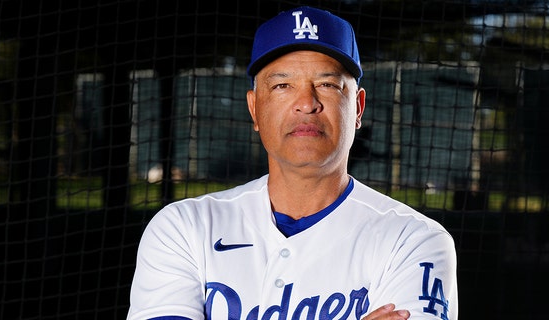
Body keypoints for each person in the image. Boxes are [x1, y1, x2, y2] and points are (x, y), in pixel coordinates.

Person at [128, 6, 457, 320]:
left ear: (357, 108)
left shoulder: (414, 239)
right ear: (255, 108)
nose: (306, 103)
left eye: (327, 84)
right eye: (283, 85)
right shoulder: (183, 228)